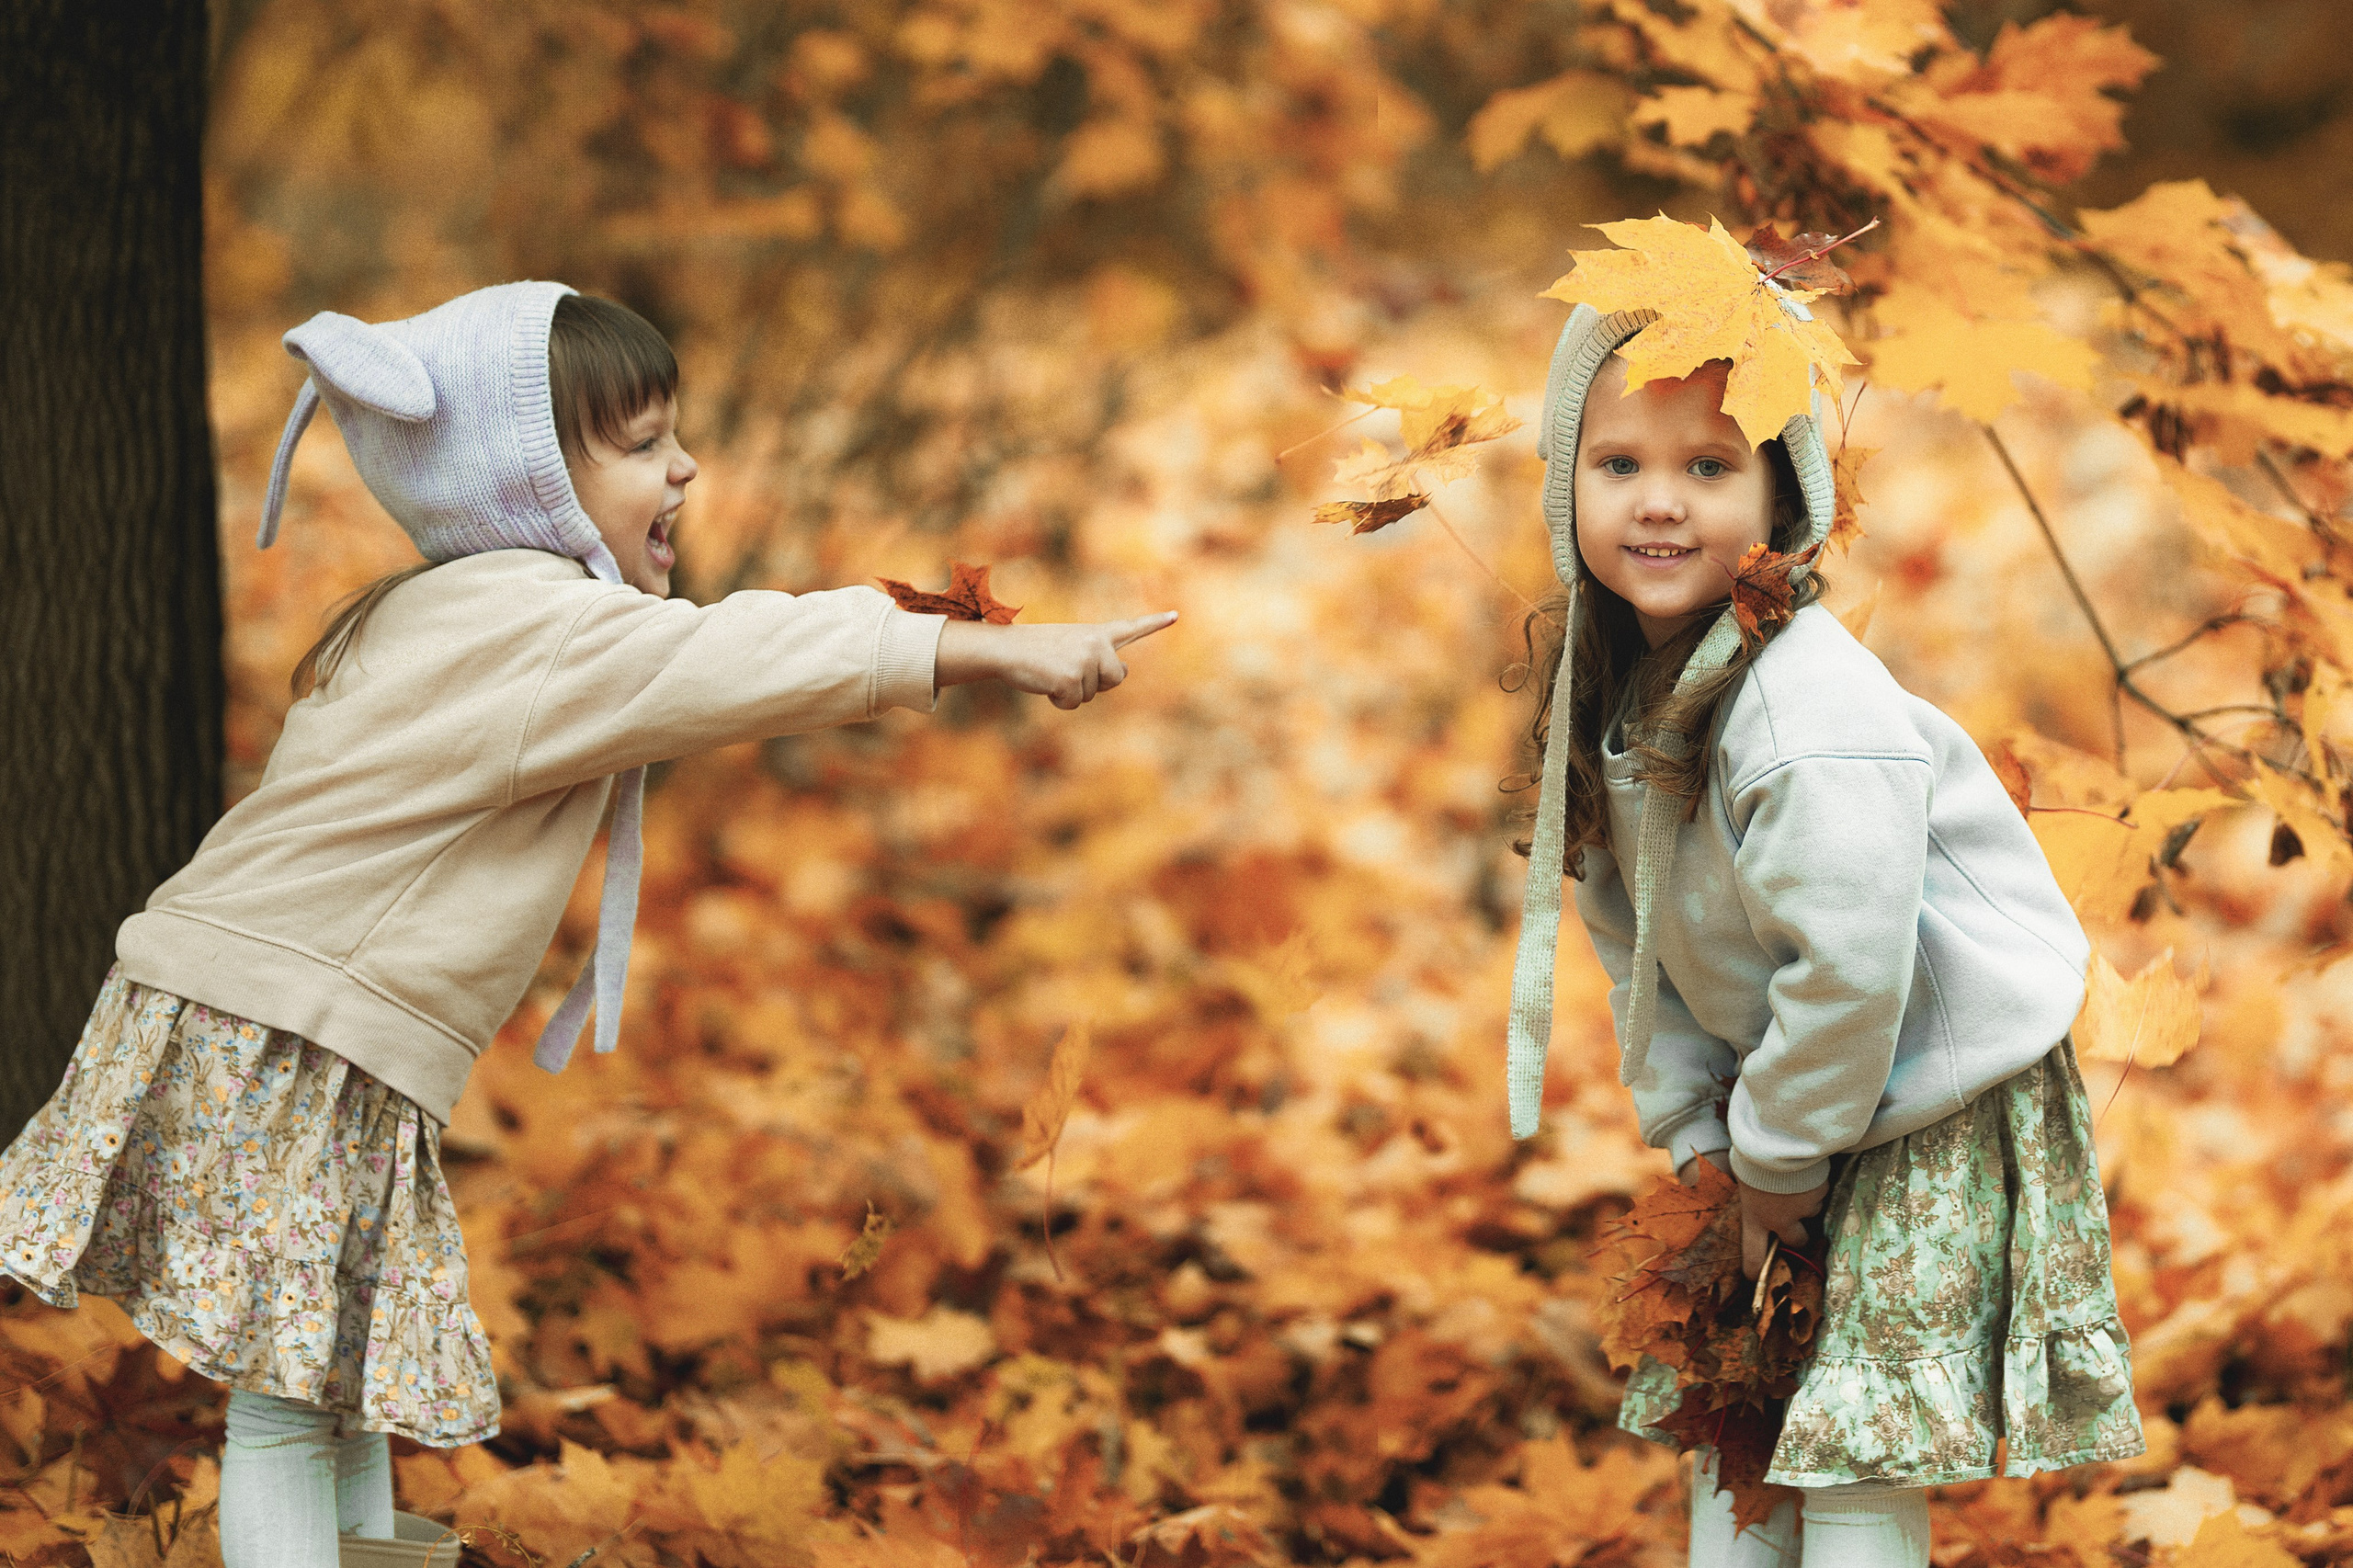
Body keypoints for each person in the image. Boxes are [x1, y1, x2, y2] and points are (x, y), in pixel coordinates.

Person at [0, 281, 1175, 1568]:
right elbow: (746, 655)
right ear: (528, 480)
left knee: (323, 1387)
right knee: (292, 1407)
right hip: (283, 1036)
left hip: (266, 1023)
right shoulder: (538, 630)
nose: (685, 466)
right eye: (637, 444)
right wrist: (1003, 652)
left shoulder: (452, 609)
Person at [1504, 302, 2143, 1566]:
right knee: (1732, 1405)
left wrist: (1778, 1161)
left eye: (1708, 466)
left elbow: (1853, 969)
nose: (1659, 503)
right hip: (1784, 1093)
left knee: (1857, 1427)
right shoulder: (1622, 694)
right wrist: (1701, 1136)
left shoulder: (1805, 709)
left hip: (1927, 1093)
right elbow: (1636, 949)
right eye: (1618, 463)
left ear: (1781, 500)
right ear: (1564, 483)